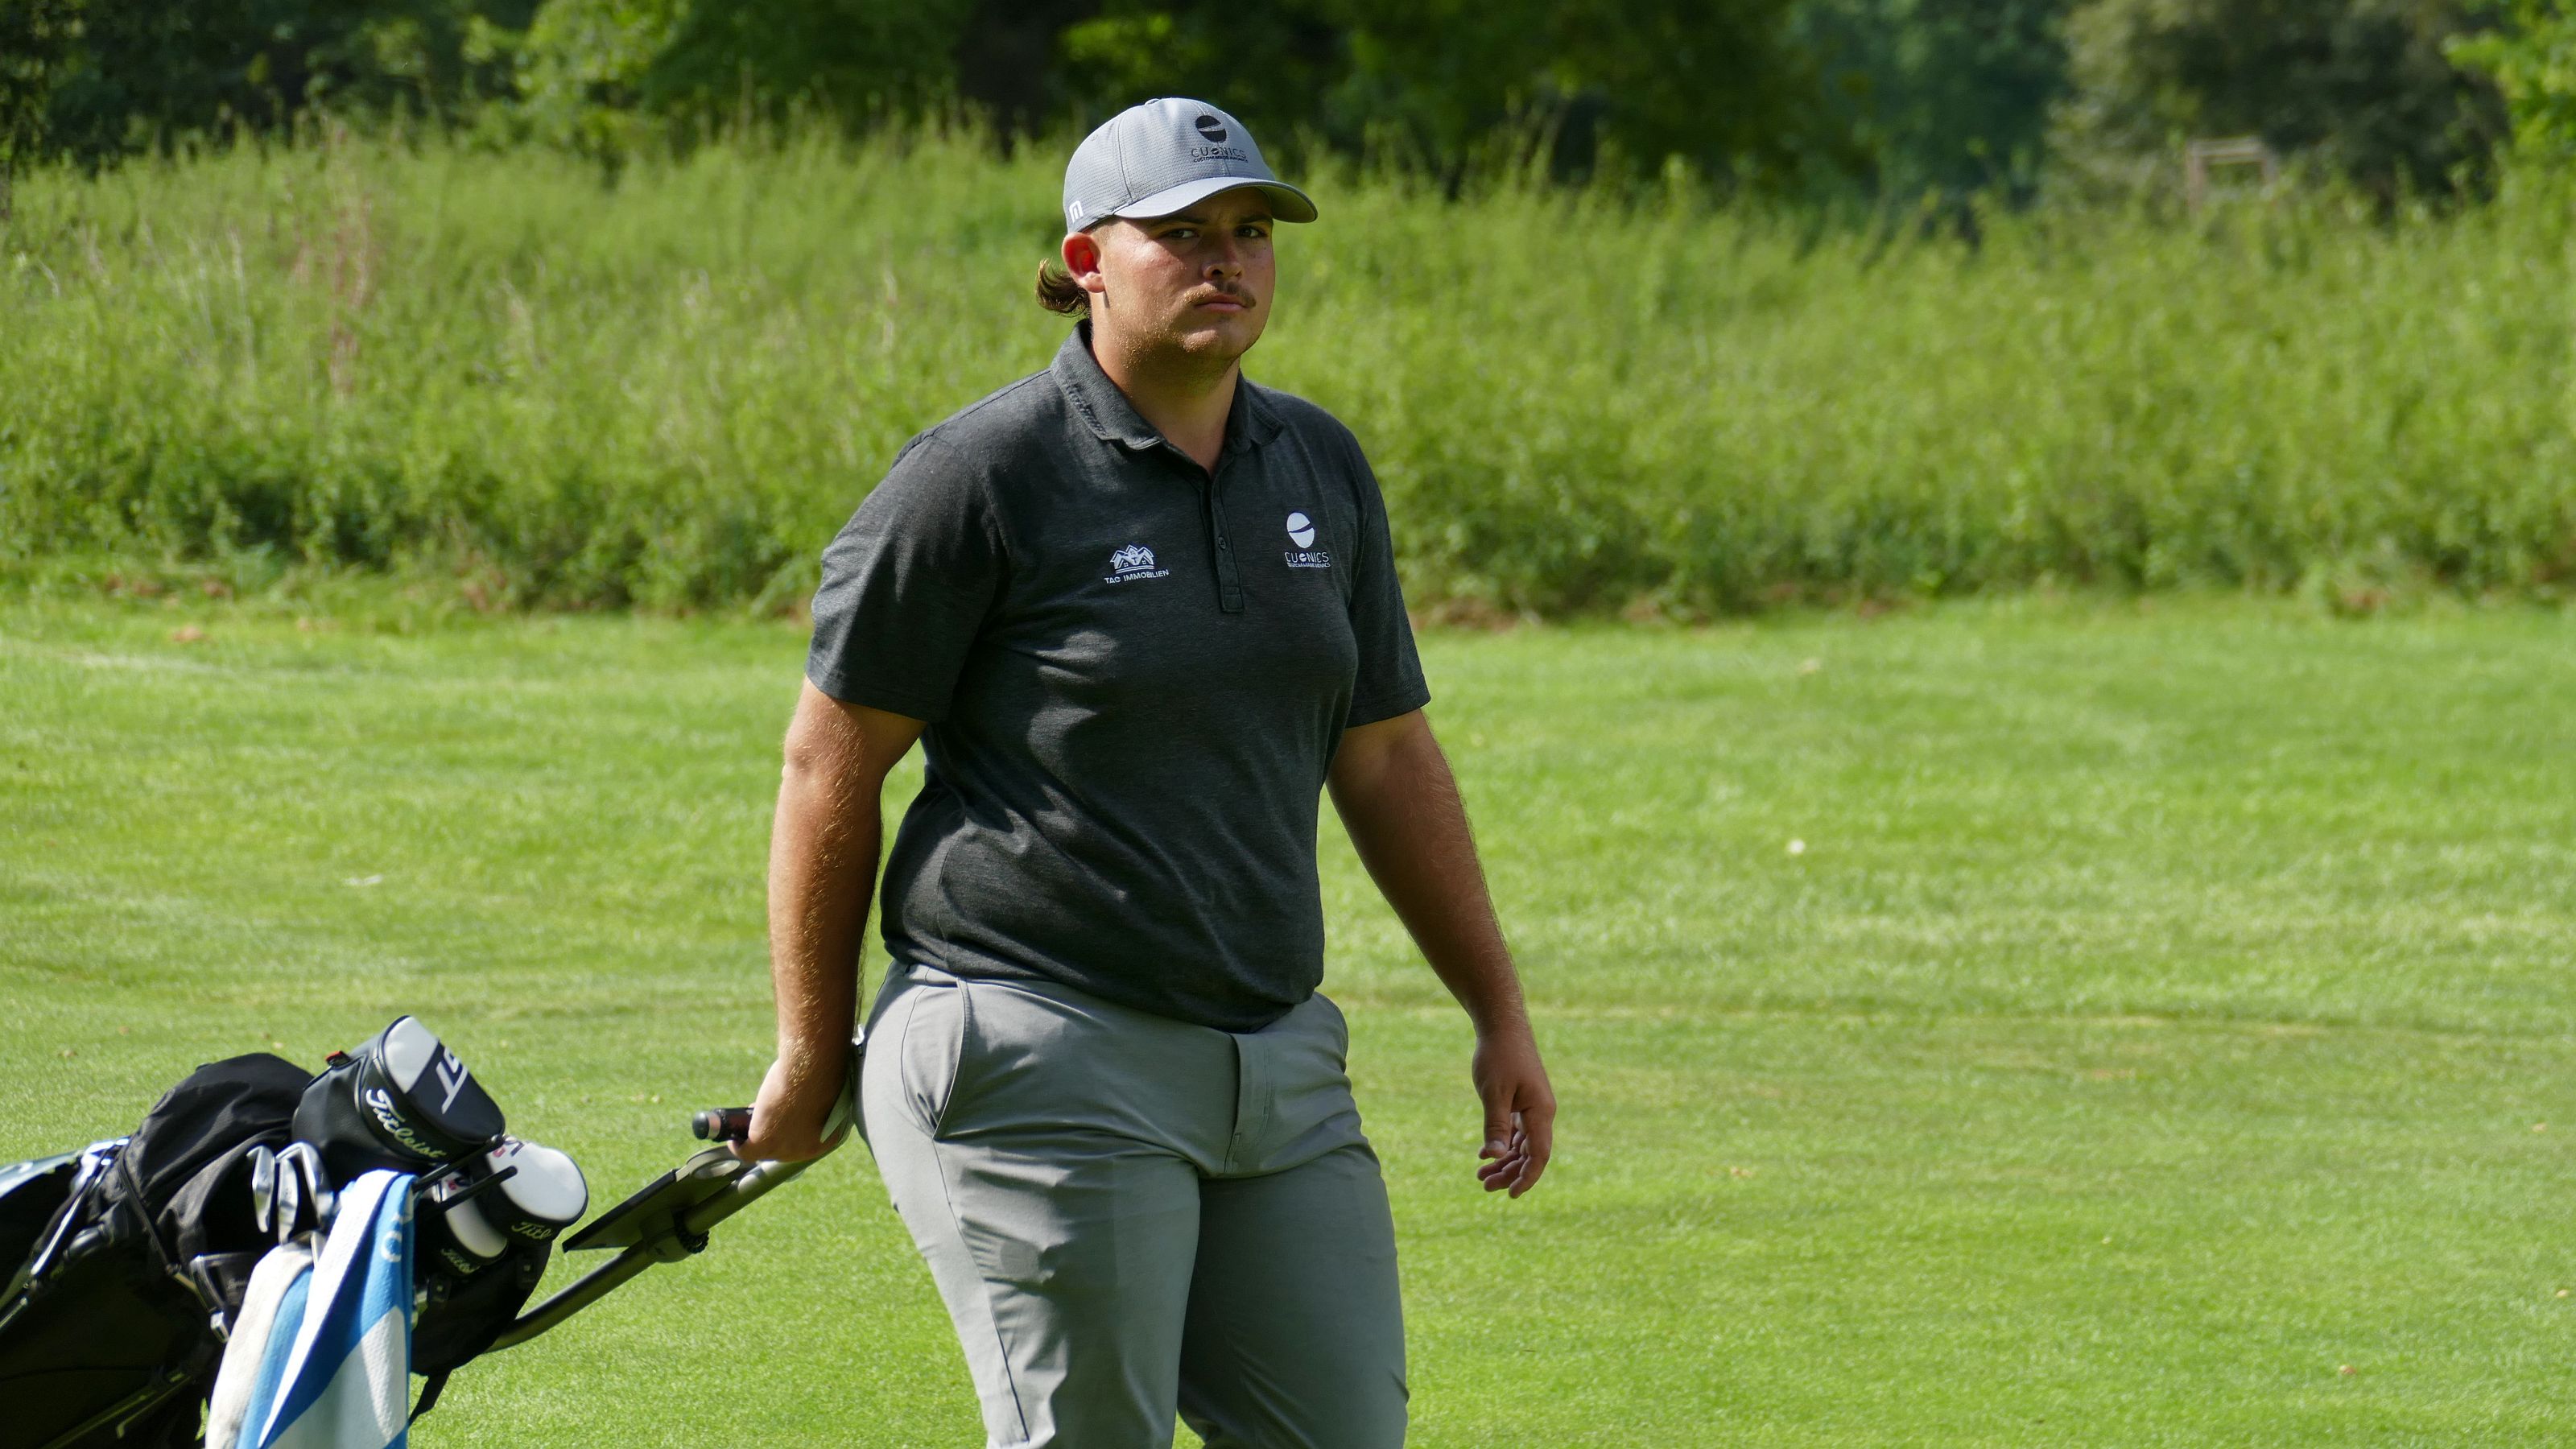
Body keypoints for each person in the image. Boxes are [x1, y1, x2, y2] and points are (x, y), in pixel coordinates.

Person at [734, 97, 1556, 1449]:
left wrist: (1498, 1010)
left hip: (1275, 1062)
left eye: (1249, 231)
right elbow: (831, 762)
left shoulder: (1319, 465)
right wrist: (811, 1054)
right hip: (1034, 1041)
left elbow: (1388, 748)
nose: (1226, 260)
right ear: (1087, 258)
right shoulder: (977, 478)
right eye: (1179, 233)